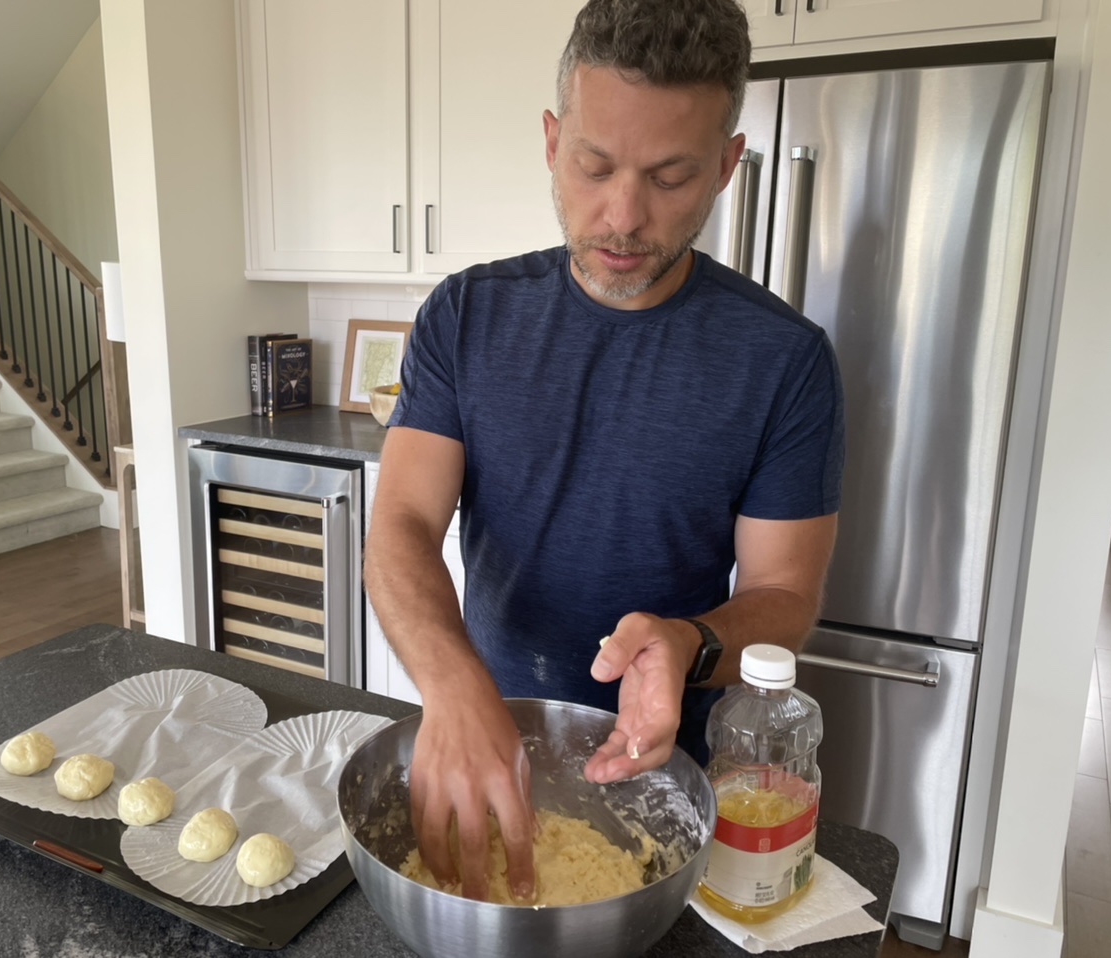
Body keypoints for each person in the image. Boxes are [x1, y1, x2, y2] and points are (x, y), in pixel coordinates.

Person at [363, 0, 844, 904]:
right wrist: (453, 686)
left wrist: (691, 641)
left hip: (667, 778)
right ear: (552, 143)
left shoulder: (784, 361)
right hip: (478, 734)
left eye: (670, 176)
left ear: (727, 168)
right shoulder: (466, 318)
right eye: (595, 166)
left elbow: (785, 597)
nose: (623, 217)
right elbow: (400, 525)